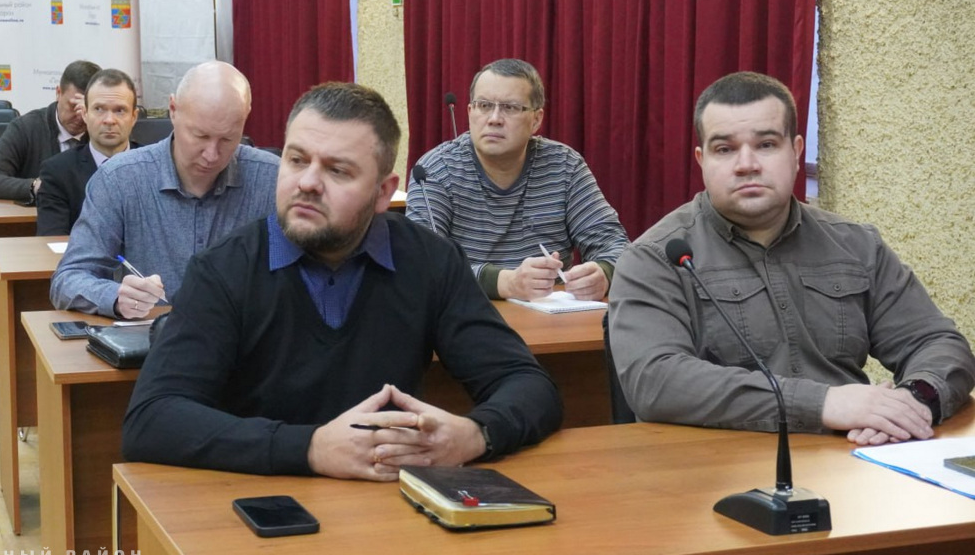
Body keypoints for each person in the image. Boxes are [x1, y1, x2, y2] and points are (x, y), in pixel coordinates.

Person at [122, 82, 563, 479]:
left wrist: (476, 434)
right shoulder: (223, 270)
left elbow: (529, 385)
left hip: (390, 507)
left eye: (338, 171)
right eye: (296, 160)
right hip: (262, 506)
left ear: (383, 192)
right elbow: (152, 420)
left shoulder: (429, 261)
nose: (308, 183)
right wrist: (310, 448)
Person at [608, 71, 974, 445]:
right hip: (717, 464)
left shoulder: (856, 245)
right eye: (725, 149)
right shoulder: (655, 258)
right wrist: (823, 403)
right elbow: (655, 381)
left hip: (853, 455)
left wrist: (914, 401)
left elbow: (938, 343)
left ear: (796, 152)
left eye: (766, 144)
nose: (746, 164)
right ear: (702, 160)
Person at [49, 61, 278, 318]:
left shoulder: (272, 180)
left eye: (227, 138)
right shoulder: (120, 179)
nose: (211, 155)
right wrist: (116, 297)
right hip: (153, 336)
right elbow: (68, 279)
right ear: (173, 110)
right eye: (200, 136)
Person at [406, 58, 628, 302]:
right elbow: (421, 264)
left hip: (550, 316)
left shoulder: (564, 166)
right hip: (465, 313)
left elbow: (615, 245)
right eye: (484, 106)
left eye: (510, 108)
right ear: (470, 112)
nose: (494, 119)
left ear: (536, 120)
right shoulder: (435, 170)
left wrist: (603, 273)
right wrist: (506, 283)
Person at [0, 60, 101, 202]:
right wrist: (35, 186)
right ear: (58, 93)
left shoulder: (106, 133)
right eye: (73, 106)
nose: (80, 116)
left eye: (88, 108)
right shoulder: (26, 127)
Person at [36, 69, 140, 236]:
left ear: (134, 117)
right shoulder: (58, 172)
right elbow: (52, 240)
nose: (109, 120)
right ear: (84, 114)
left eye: (120, 110)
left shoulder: (156, 168)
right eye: (99, 109)